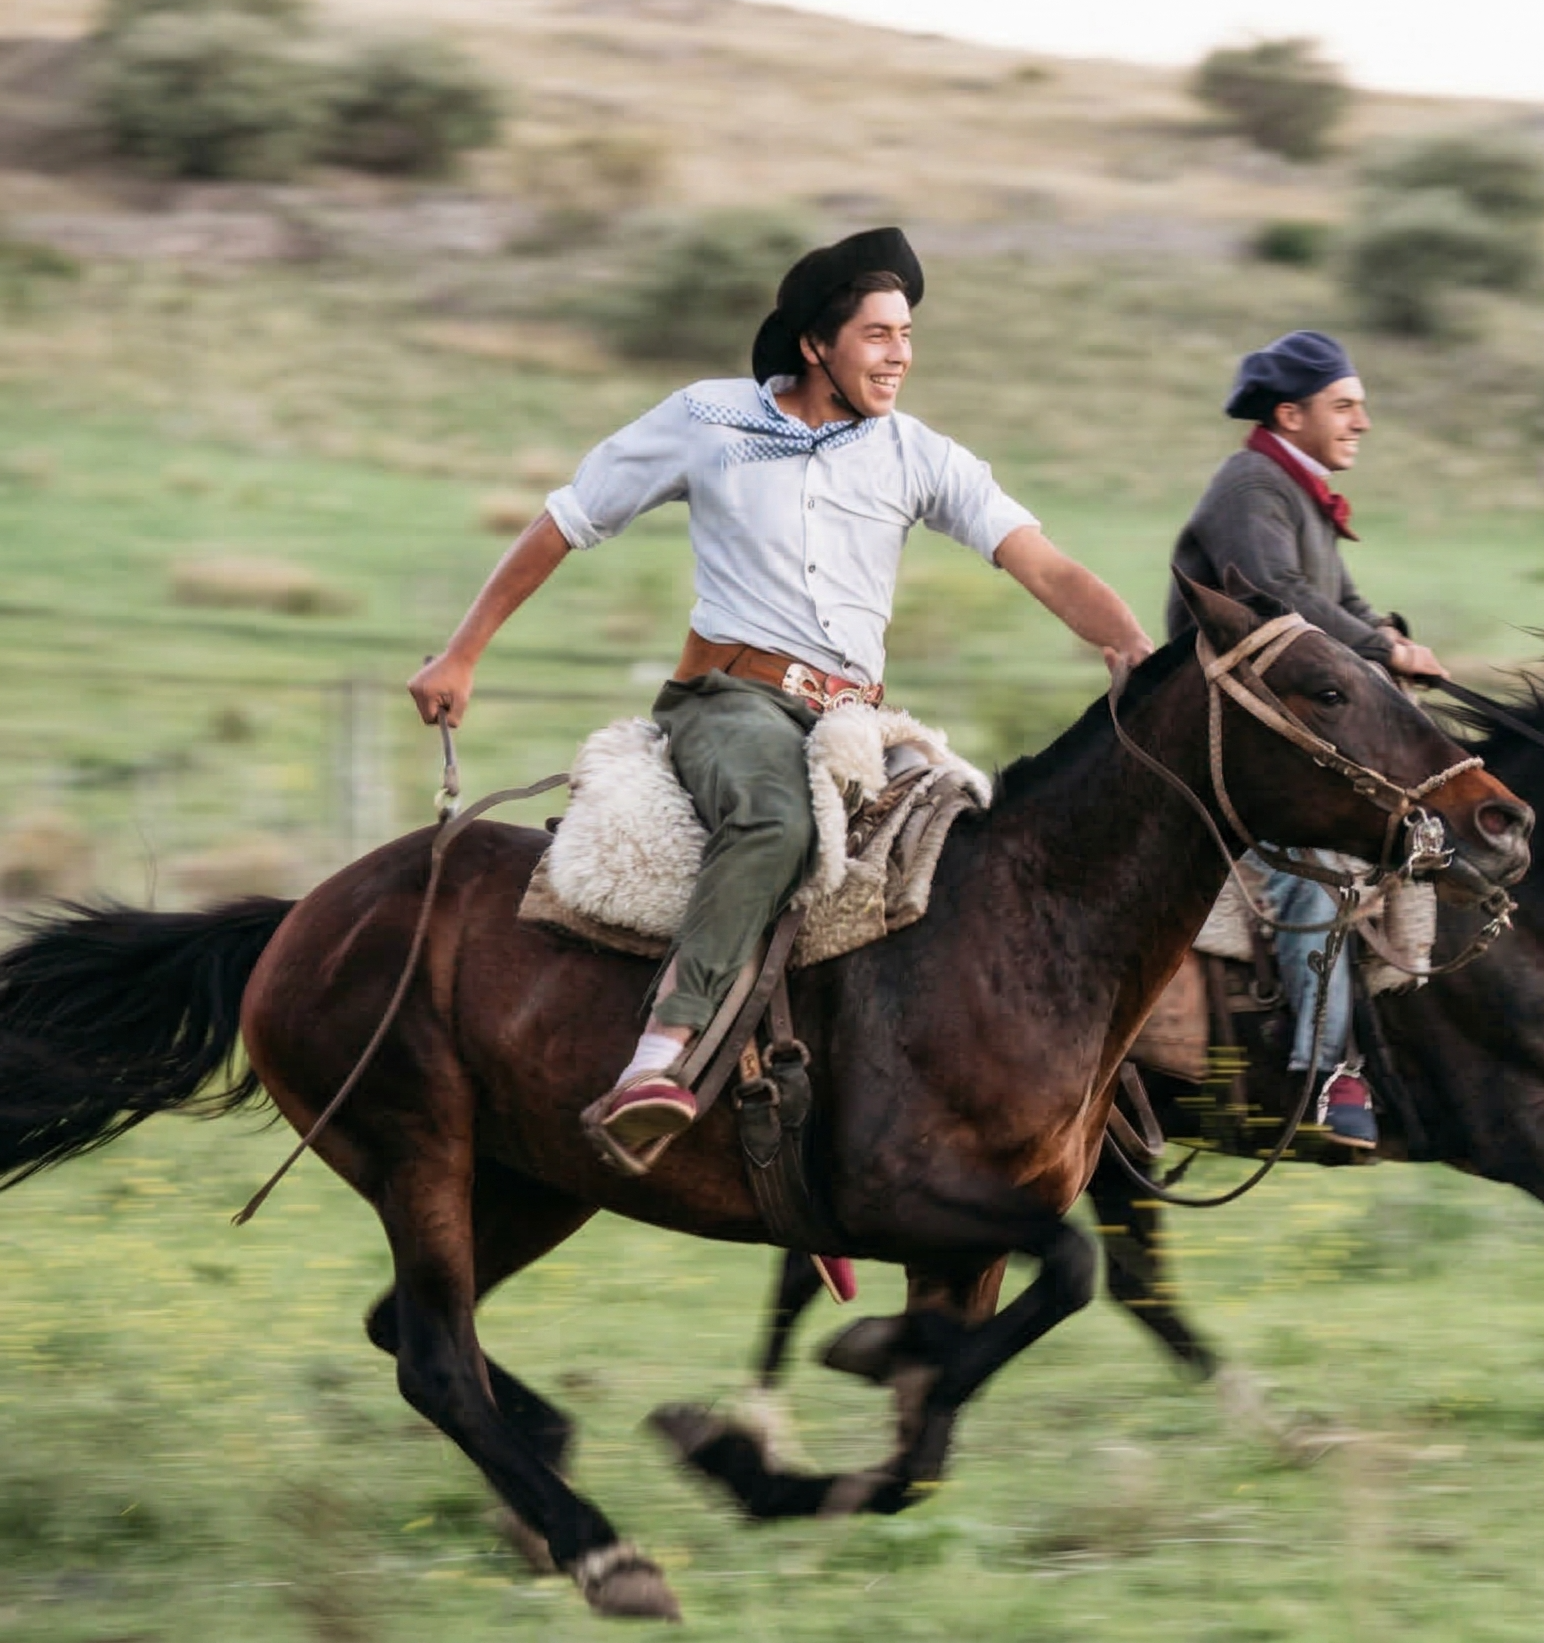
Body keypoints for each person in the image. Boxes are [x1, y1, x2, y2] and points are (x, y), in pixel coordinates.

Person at [408, 227, 1153, 1154]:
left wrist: (1128, 643)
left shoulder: (918, 456)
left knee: (971, 861)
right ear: (816, 344)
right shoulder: (707, 421)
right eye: (879, 335)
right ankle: (660, 1052)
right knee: (773, 823)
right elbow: (566, 521)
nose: (901, 356)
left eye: (908, 336)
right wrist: (461, 653)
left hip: (856, 721)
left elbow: (1038, 563)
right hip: (730, 701)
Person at [1163, 330, 1447, 1148]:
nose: (1362, 422)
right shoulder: (1250, 484)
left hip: (1290, 718)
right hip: (1232, 729)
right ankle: (1326, 1079)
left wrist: (1388, 640)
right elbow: (1277, 595)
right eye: (1345, 406)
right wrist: (1382, 651)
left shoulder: (1299, 489)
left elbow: (1343, 604)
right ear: (1291, 415)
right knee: (1309, 874)